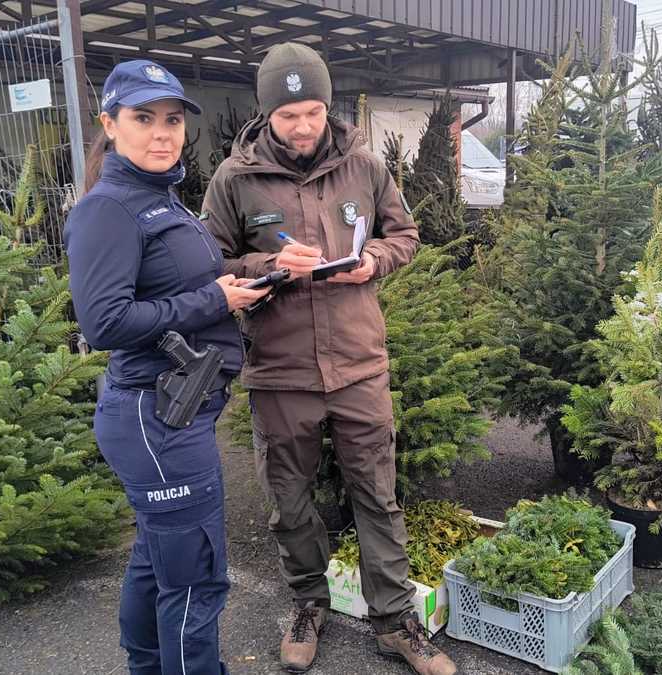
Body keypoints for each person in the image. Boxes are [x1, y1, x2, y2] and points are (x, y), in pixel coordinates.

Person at [202, 42, 457, 675]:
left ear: (327, 106)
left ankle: (395, 621)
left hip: (358, 364)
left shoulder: (365, 167)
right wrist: (267, 265)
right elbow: (206, 261)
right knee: (289, 500)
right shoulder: (235, 178)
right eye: (289, 115)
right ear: (268, 115)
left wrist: (373, 262)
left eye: (313, 111)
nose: (303, 126)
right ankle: (306, 605)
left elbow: (405, 235)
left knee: (377, 494)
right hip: (281, 371)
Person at [64, 59, 268, 675]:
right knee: (197, 576)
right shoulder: (110, 209)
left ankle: (147, 667)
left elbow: (173, 285)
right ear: (110, 124)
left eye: (173, 120)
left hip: (177, 411)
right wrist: (215, 299)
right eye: (144, 118)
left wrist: (238, 279)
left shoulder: (162, 198)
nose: (162, 133)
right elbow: (104, 324)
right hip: (158, 420)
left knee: (159, 557)